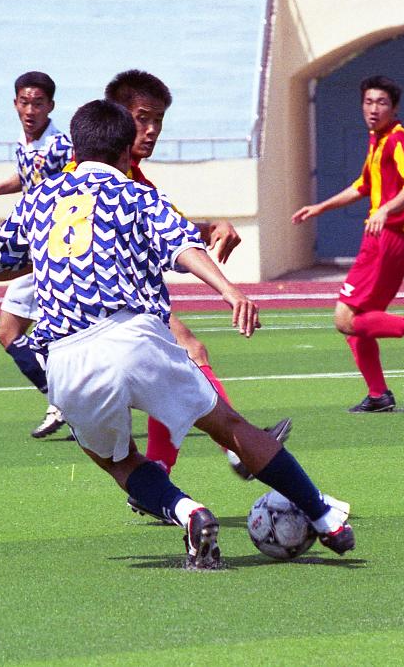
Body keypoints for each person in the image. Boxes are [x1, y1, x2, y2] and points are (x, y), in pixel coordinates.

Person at [0, 99, 355, 569]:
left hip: (68, 355)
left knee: (115, 460)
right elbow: (182, 246)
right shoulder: (135, 193)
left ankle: (187, 511)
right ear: (124, 150)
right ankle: (324, 518)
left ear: (74, 145)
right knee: (231, 428)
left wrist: (51, 254)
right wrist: (230, 290)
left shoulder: (38, 198)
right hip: (135, 337)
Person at [102, 69, 290, 496]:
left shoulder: (136, 177)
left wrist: (206, 228)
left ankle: (161, 474)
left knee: (181, 355)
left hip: (124, 303)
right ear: (117, 116)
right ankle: (236, 450)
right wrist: (226, 288)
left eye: (158, 122)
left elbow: (167, 230)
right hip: (97, 305)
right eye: (142, 118)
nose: (151, 131)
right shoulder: (96, 167)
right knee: (178, 357)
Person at [291, 75, 404, 412]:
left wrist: (385, 210)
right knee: (358, 322)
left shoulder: (398, 140)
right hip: (386, 241)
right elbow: (363, 185)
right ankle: (379, 396)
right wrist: (321, 207)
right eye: (368, 102)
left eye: (381, 103)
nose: (373, 109)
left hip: (385, 240)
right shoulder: (377, 139)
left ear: (394, 108)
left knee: (344, 319)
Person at [0, 71, 74, 439]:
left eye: (38, 103)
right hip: (37, 246)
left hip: (56, 248)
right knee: (8, 333)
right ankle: (64, 400)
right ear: (15, 103)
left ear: (51, 106)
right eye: (24, 102)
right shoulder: (25, 142)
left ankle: (67, 402)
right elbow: (29, 178)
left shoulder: (60, 147)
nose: (30, 110)